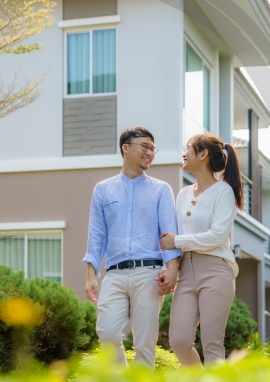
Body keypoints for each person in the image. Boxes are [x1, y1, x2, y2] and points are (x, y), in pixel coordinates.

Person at [83, 126, 181, 367]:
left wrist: (172, 269)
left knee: (144, 344)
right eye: (144, 146)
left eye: (152, 148)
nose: (150, 152)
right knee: (107, 335)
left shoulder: (161, 190)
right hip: (114, 275)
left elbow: (170, 234)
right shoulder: (103, 190)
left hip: (149, 274)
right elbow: (97, 235)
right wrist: (90, 276)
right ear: (125, 148)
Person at [159, 132, 243, 368]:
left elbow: (217, 236)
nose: (183, 154)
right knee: (178, 339)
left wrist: (178, 241)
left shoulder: (223, 192)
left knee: (212, 343)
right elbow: (171, 236)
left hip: (216, 269)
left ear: (203, 154)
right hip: (186, 273)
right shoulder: (183, 194)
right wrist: (172, 266)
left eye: (188, 148)